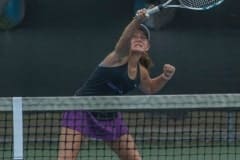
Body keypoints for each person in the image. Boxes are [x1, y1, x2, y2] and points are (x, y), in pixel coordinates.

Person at [58, 8, 176, 160]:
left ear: (147, 47)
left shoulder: (142, 72)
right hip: (81, 110)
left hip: (110, 116)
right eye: (135, 37)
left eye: (143, 38)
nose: (138, 39)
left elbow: (150, 88)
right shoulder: (117, 58)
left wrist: (165, 76)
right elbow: (123, 40)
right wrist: (137, 20)